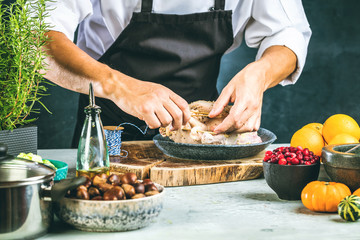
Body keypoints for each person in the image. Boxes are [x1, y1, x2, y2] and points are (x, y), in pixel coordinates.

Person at [42, 0, 311, 145]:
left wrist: (260, 73)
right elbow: (36, 38)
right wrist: (119, 86)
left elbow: (288, 33)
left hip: (204, 137)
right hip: (110, 135)